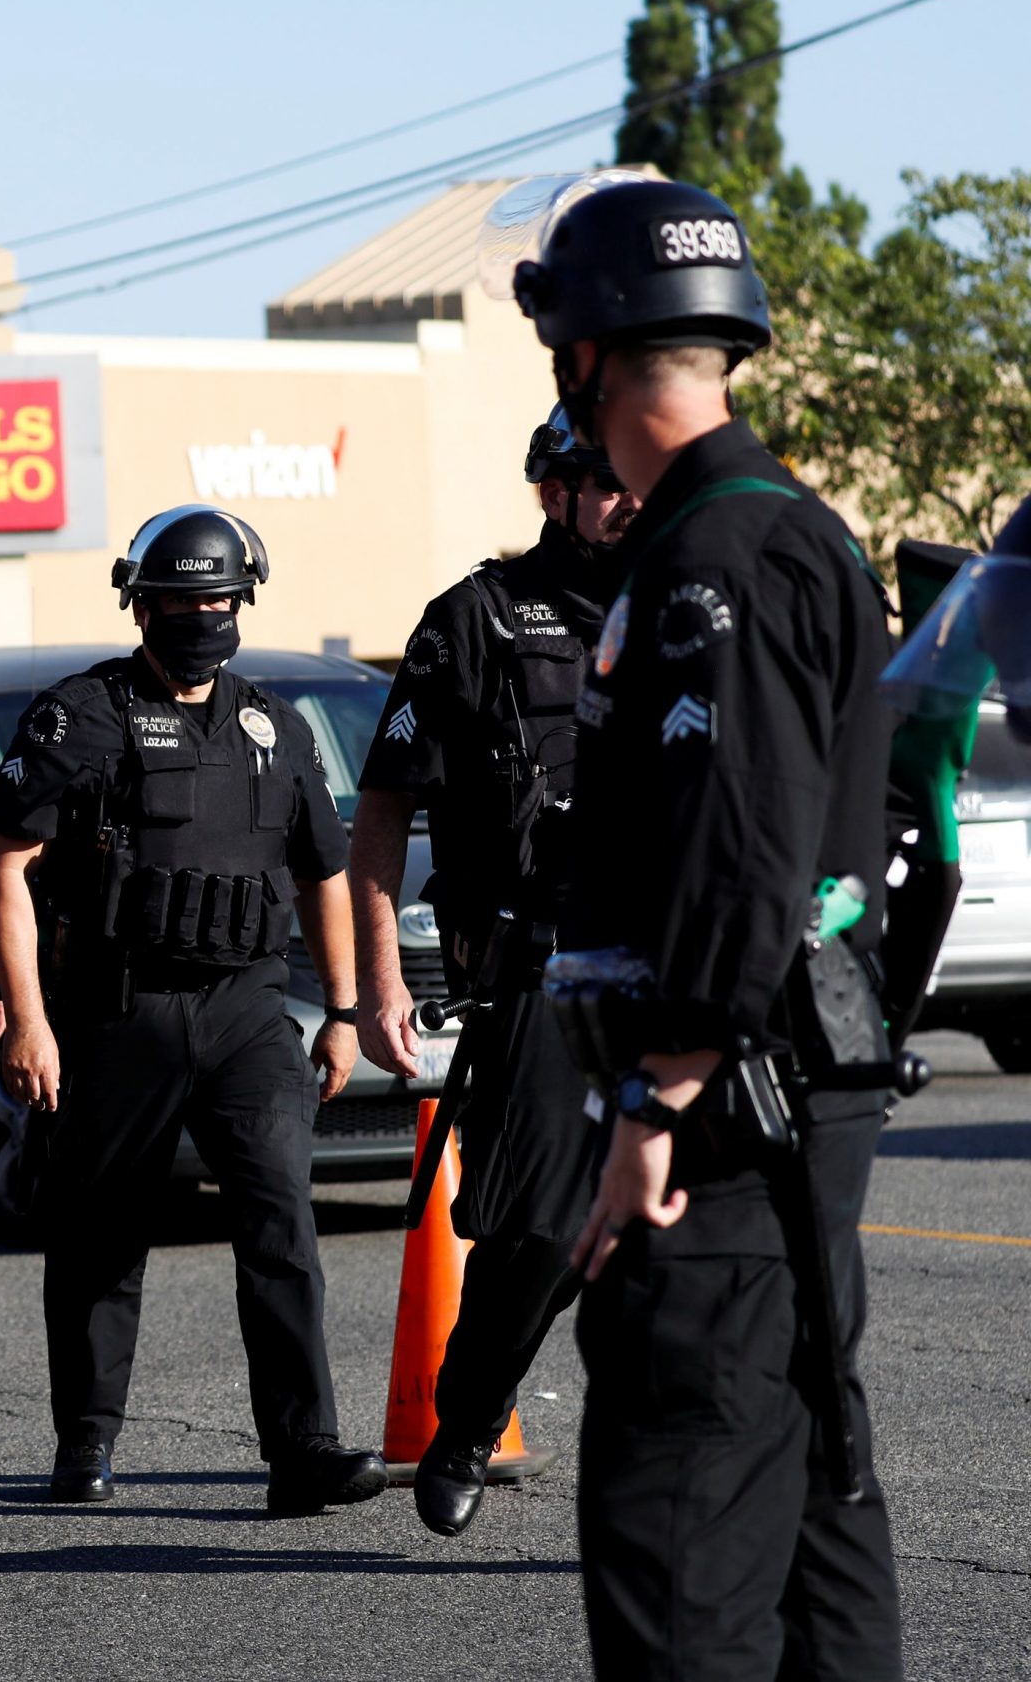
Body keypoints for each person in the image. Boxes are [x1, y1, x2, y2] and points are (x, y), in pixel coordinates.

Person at [508, 174, 902, 1678]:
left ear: (587, 351)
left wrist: (655, 1094)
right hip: (797, 1087)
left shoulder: (711, 560)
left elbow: (740, 854)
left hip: (725, 1114)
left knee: (680, 1534)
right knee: (810, 1507)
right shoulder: (789, 527)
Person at [0, 505, 385, 1516]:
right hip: (120, 1008)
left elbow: (321, 873)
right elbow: (9, 867)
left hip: (250, 1012)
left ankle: (303, 1451)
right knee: (99, 1233)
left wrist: (341, 1009)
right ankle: (85, 1440)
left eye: (218, 598)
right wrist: (26, 1017)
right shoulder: (81, 714)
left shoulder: (272, 722)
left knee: (280, 1218)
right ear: (140, 602)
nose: (202, 615)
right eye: (180, 600)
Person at [348, 407, 634, 1535]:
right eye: (603, 480)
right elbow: (383, 804)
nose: (626, 500)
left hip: (669, 965)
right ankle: (466, 1414)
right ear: (551, 489)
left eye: (636, 479)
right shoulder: (472, 619)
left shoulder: (680, 613)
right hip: (542, 970)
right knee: (544, 1227)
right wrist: (375, 979)